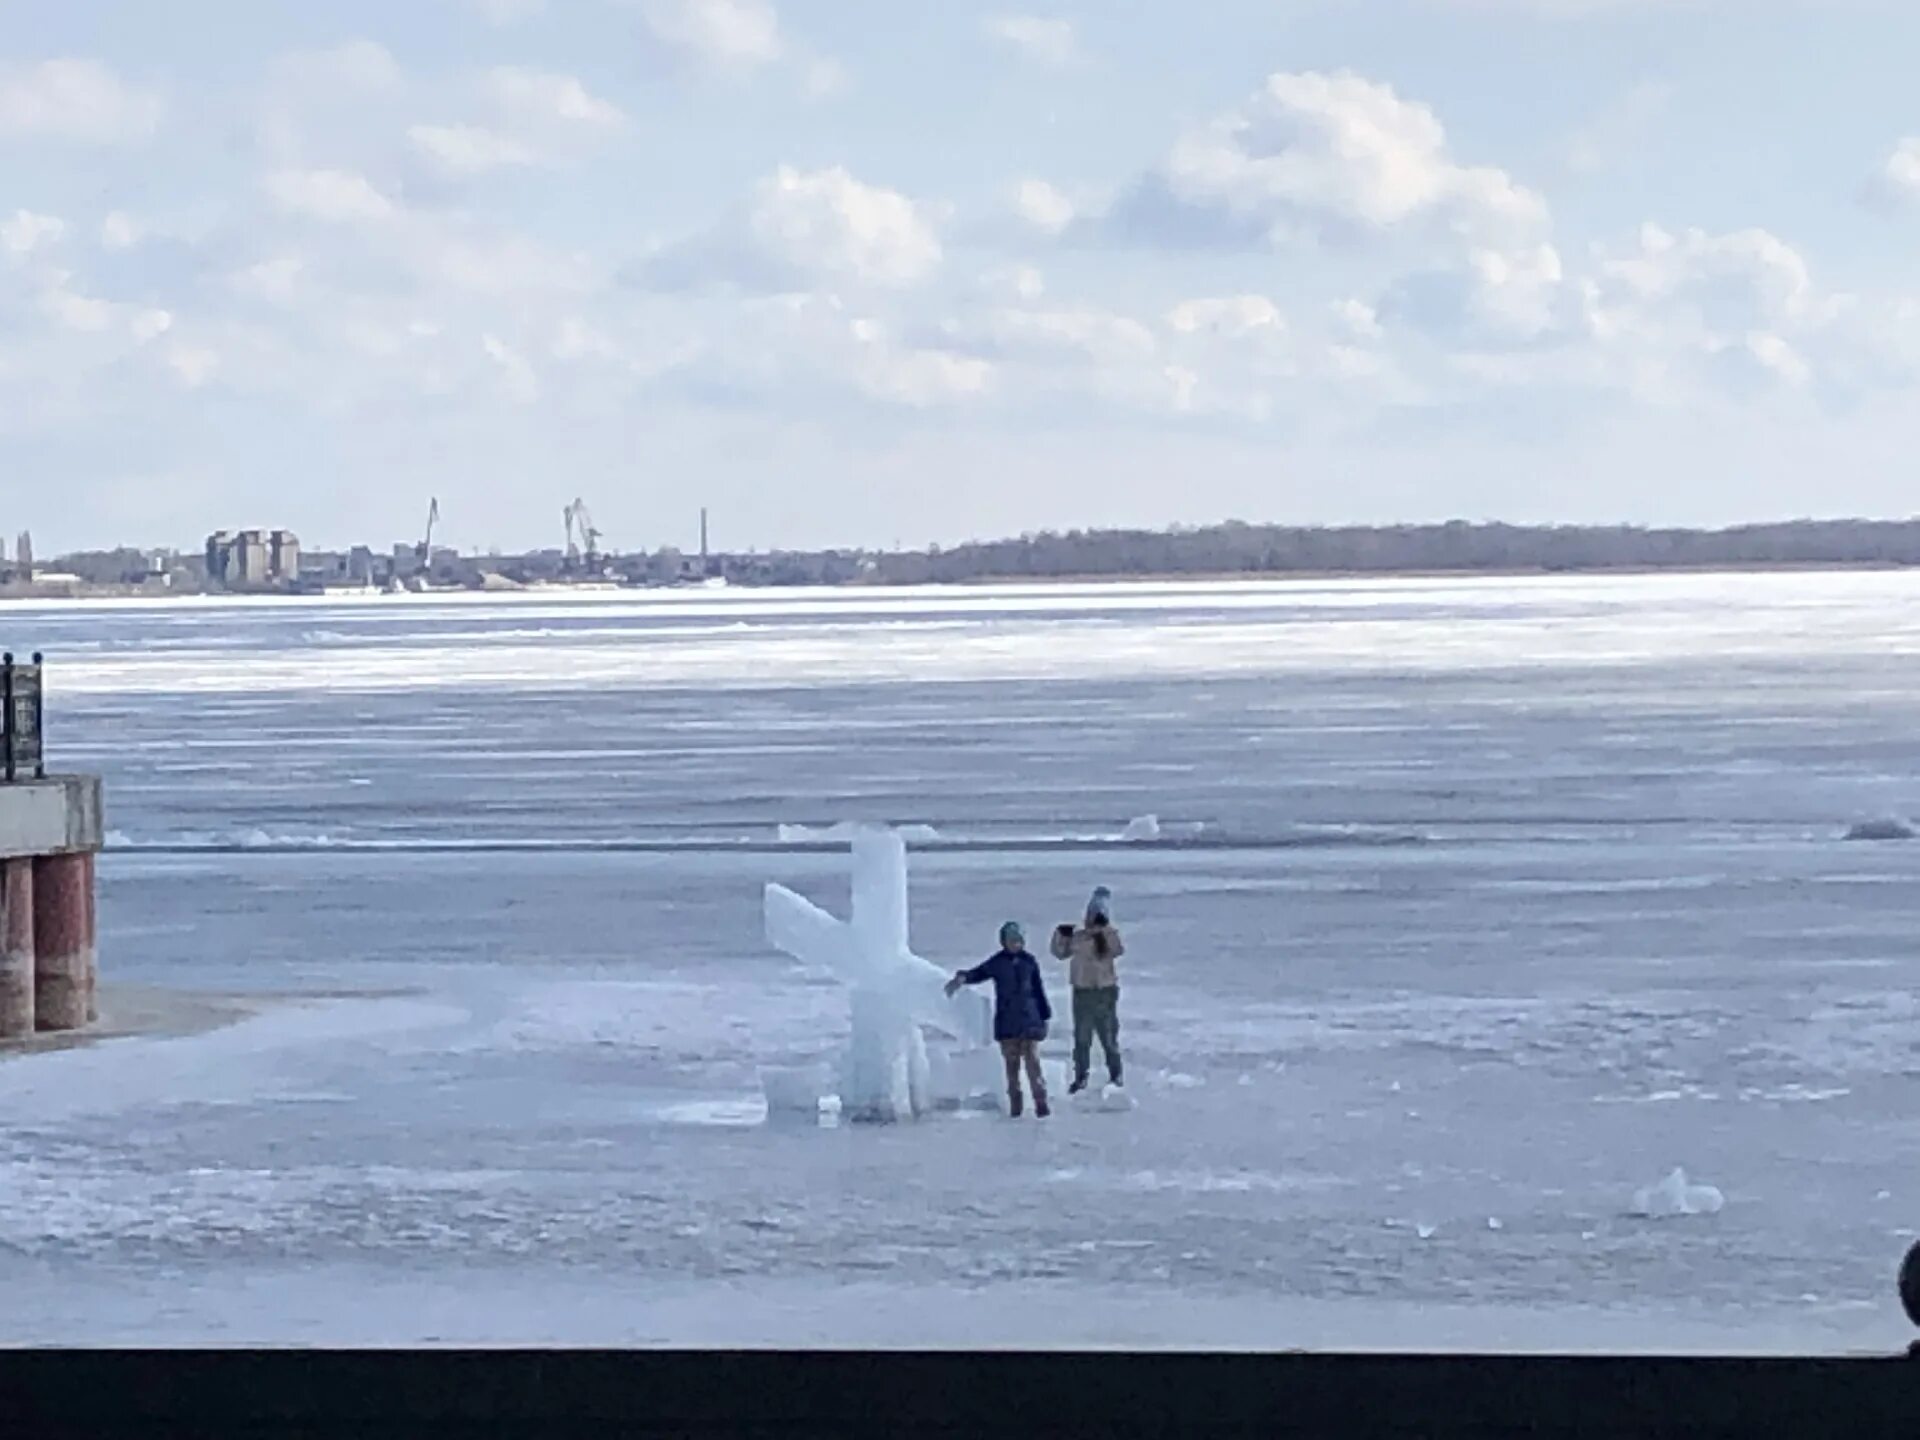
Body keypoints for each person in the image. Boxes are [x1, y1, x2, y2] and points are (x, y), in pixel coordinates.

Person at [946, 922, 1052, 1118]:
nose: (1016, 944)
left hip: (1030, 1022)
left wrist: (1045, 1016)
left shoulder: (1029, 962)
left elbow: (1038, 990)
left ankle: (1041, 1104)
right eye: (1012, 941)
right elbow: (978, 973)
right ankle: (1016, 1108)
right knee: (1012, 1071)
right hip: (1007, 1025)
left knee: (1033, 1066)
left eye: (1019, 941)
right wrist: (962, 977)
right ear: (1004, 942)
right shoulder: (997, 963)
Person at [1050, 885, 1124, 1095]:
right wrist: (1061, 935)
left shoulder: (1108, 937)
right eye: (1090, 915)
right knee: (1082, 1039)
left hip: (1105, 992)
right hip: (1082, 993)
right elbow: (1060, 953)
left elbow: (1118, 949)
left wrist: (1104, 931)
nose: (1091, 919)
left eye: (1096, 915)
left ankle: (1116, 1075)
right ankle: (1081, 1077)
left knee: (1108, 1037)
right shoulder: (1079, 938)